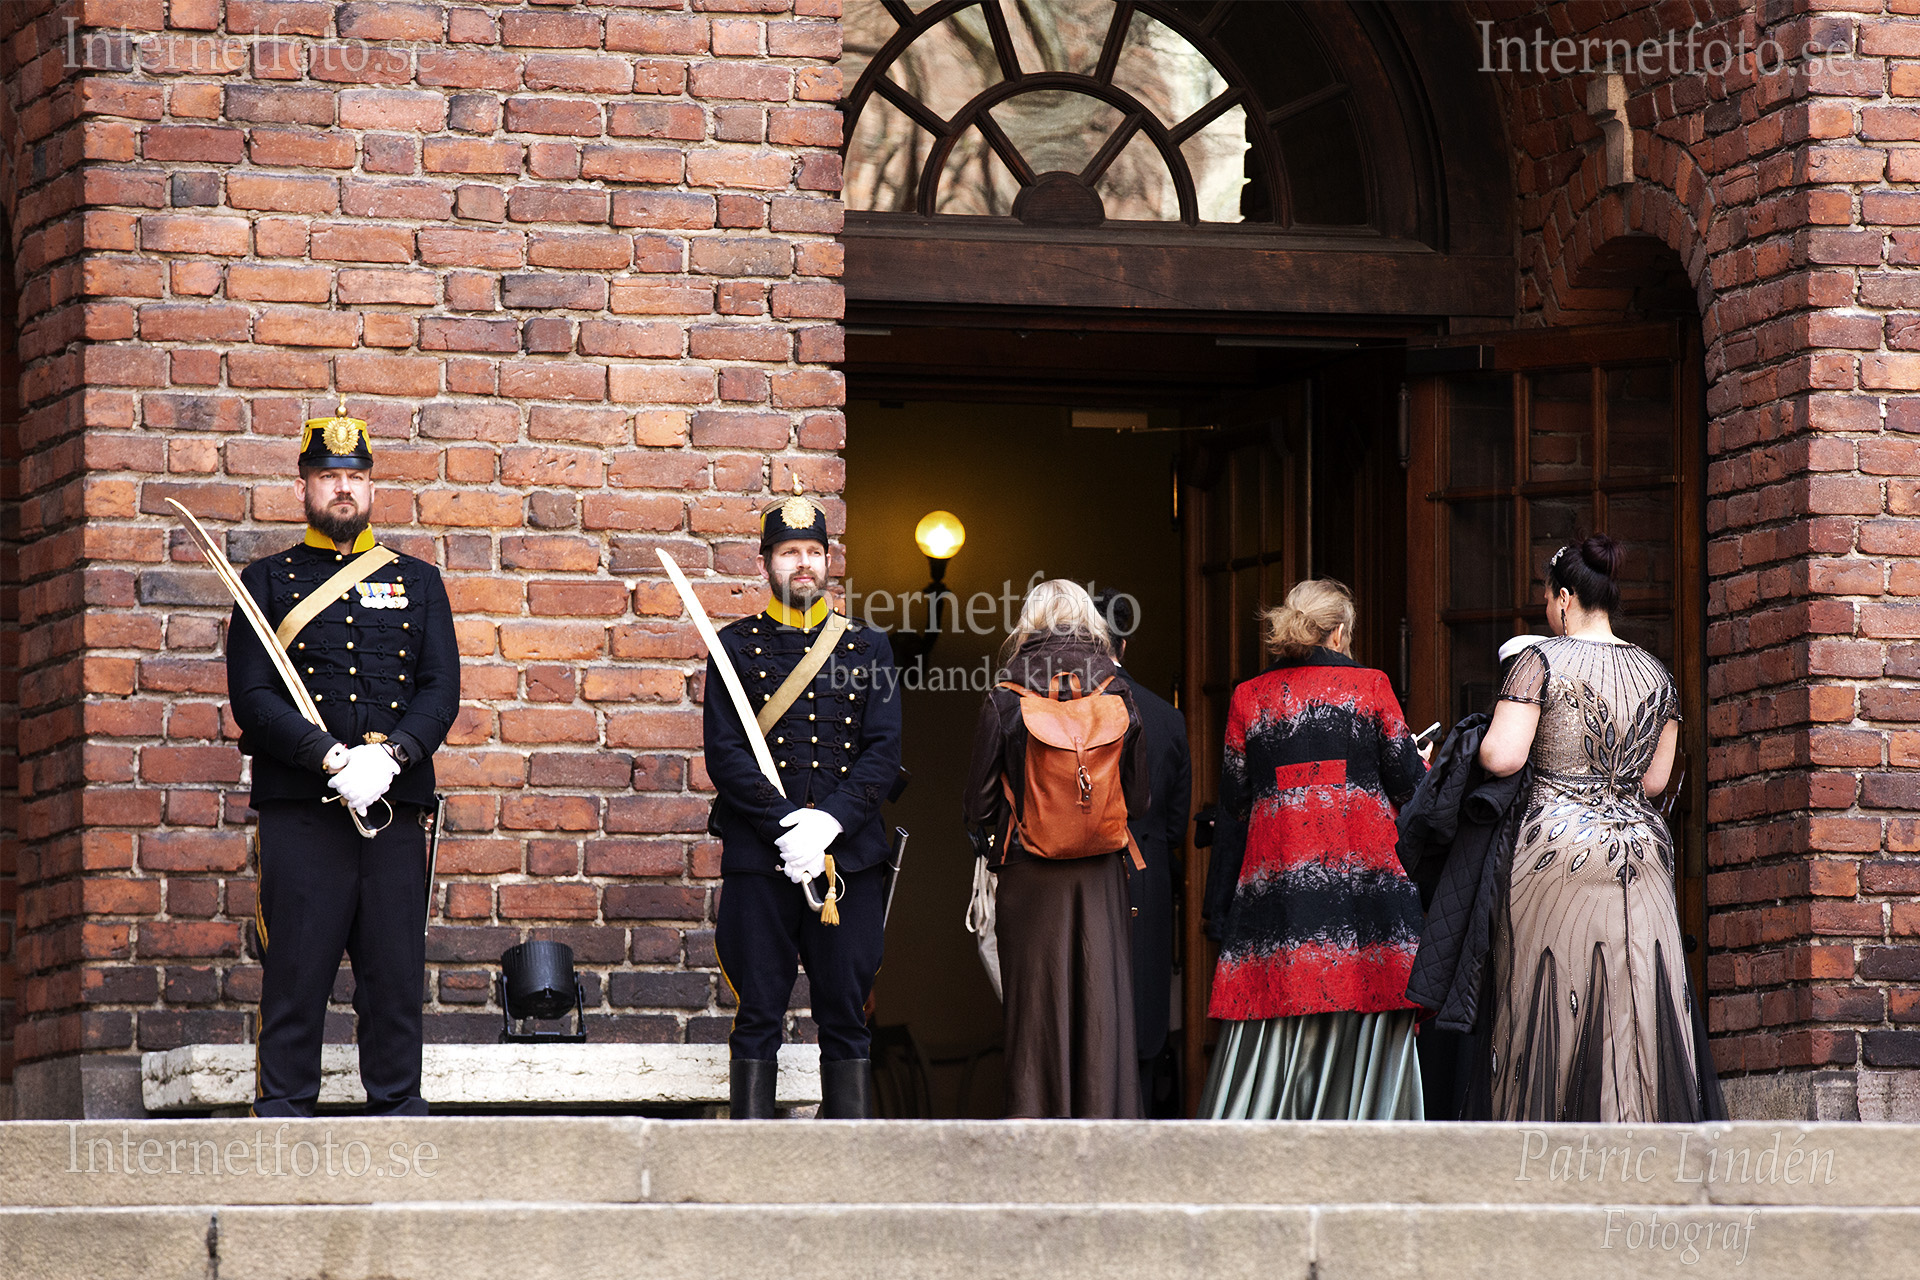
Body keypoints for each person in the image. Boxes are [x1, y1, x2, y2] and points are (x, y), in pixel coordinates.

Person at [227, 404, 459, 1117]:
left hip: (391, 808)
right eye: (327, 476)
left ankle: (398, 1115)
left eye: (354, 476)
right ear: (302, 486)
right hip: (304, 811)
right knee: (295, 974)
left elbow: (440, 687)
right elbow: (255, 697)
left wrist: (392, 756)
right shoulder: (264, 583)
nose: (342, 489)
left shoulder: (418, 582)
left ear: (371, 486)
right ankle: (284, 1114)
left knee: (393, 979)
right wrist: (328, 755)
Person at [1477, 535, 1723, 1122]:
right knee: (1637, 994)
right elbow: (1658, 780)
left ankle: (1549, 1148)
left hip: (1556, 850)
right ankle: (1642, 1143)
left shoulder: (1540, 662)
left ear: (1564, 598)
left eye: (1547, 598)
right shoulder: (1655, 671)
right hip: (1642, 852)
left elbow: (1504, 756)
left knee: (1550, 998)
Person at [1199, 579, 1428, 1120]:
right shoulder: (1370, 687)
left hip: (1277, 885)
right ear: (1341, 631)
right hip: (1361, 888)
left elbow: (1234, 797)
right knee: (1365, 994)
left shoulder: (1248, 697)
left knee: (1275, 1000)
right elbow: (1409, 788)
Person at [706, 496, 901, 1119]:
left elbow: (883, 752)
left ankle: (846, 1161)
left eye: (814, 552)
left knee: (846, 1012)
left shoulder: (871, 648)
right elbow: (726, 755)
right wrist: (784, 825)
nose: (804, 564)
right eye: (790, 553)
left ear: (828, 562)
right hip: (762, 860)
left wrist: (827, 822)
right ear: (766, 562)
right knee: (757, 1009)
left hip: (849, 863)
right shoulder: (733, 646)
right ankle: (750, 1162)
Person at [964, 580, 1148, 1118]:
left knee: (1035, 1013)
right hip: (1100, 873)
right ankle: (1107, 1133)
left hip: (1027, 873)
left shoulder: (1005, 695)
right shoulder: (1118, 691)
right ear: (1090, 622)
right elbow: (1140, 797)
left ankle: (1035, 1132)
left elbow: (975, 805)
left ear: (1030, 624)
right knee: (1102, 1006)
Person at [1092, 588, 1191, 1114]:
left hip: (1076, 871)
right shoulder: (1166, 716)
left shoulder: (1060, 707)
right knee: (1143, 1014)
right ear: (1124, 644)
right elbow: (1175, 824)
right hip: (1144, 871)